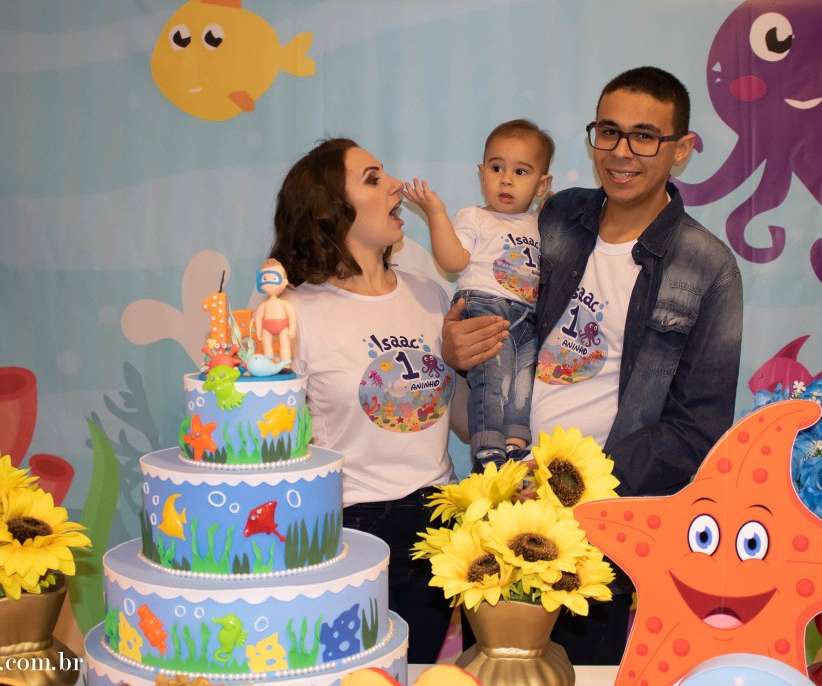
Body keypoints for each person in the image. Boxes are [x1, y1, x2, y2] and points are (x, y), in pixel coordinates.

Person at [442, 66, 743, 664]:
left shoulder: (707, 267)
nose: (621, 152)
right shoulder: (554, 217)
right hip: (500, 501)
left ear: (681, 149)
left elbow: (697, 431)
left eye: (645, 136)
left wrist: (571, 484)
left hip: (602, 528)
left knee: (585, 673)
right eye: (608, 131)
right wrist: (457, 354)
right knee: (494, 671)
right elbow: (494, 313)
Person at [269, 138, 457, 664]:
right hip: (356, 527)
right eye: (373, 178)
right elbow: (273, 448)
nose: (396, 185)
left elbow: (459, 420)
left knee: (417, 670)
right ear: (330, 208)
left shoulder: (431, 295)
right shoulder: (291, 314)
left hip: (442, 522)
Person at [403, 119, 553, 472]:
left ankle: (515, 444)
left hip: (527, 317)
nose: (506, 180)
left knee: (523, 382)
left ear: (541, 184)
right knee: (491, 378)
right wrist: (437, 215)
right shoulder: (473, 217)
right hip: (486, 307)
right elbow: (453, 261)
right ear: (481, 173)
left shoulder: (539, 223)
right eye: (497, 168)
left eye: (521, 172)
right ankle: (488, 448)